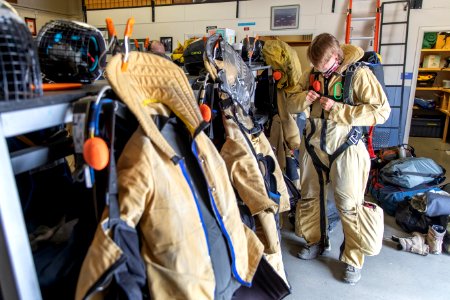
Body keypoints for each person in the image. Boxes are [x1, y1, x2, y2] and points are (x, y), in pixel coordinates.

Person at [285, 33, 391, 284]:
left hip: (347, 147)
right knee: (311, 196)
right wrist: (304, 99)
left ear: (335, 56)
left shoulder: (359, 74)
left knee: (348, 204)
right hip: (313, 147)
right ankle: (315, 241)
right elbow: (290, 104)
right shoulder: (312, 74)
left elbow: (382, 111)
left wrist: (339, 109)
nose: (319, 71)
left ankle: (353, 260)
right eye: (316, 67)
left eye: (323, 66)